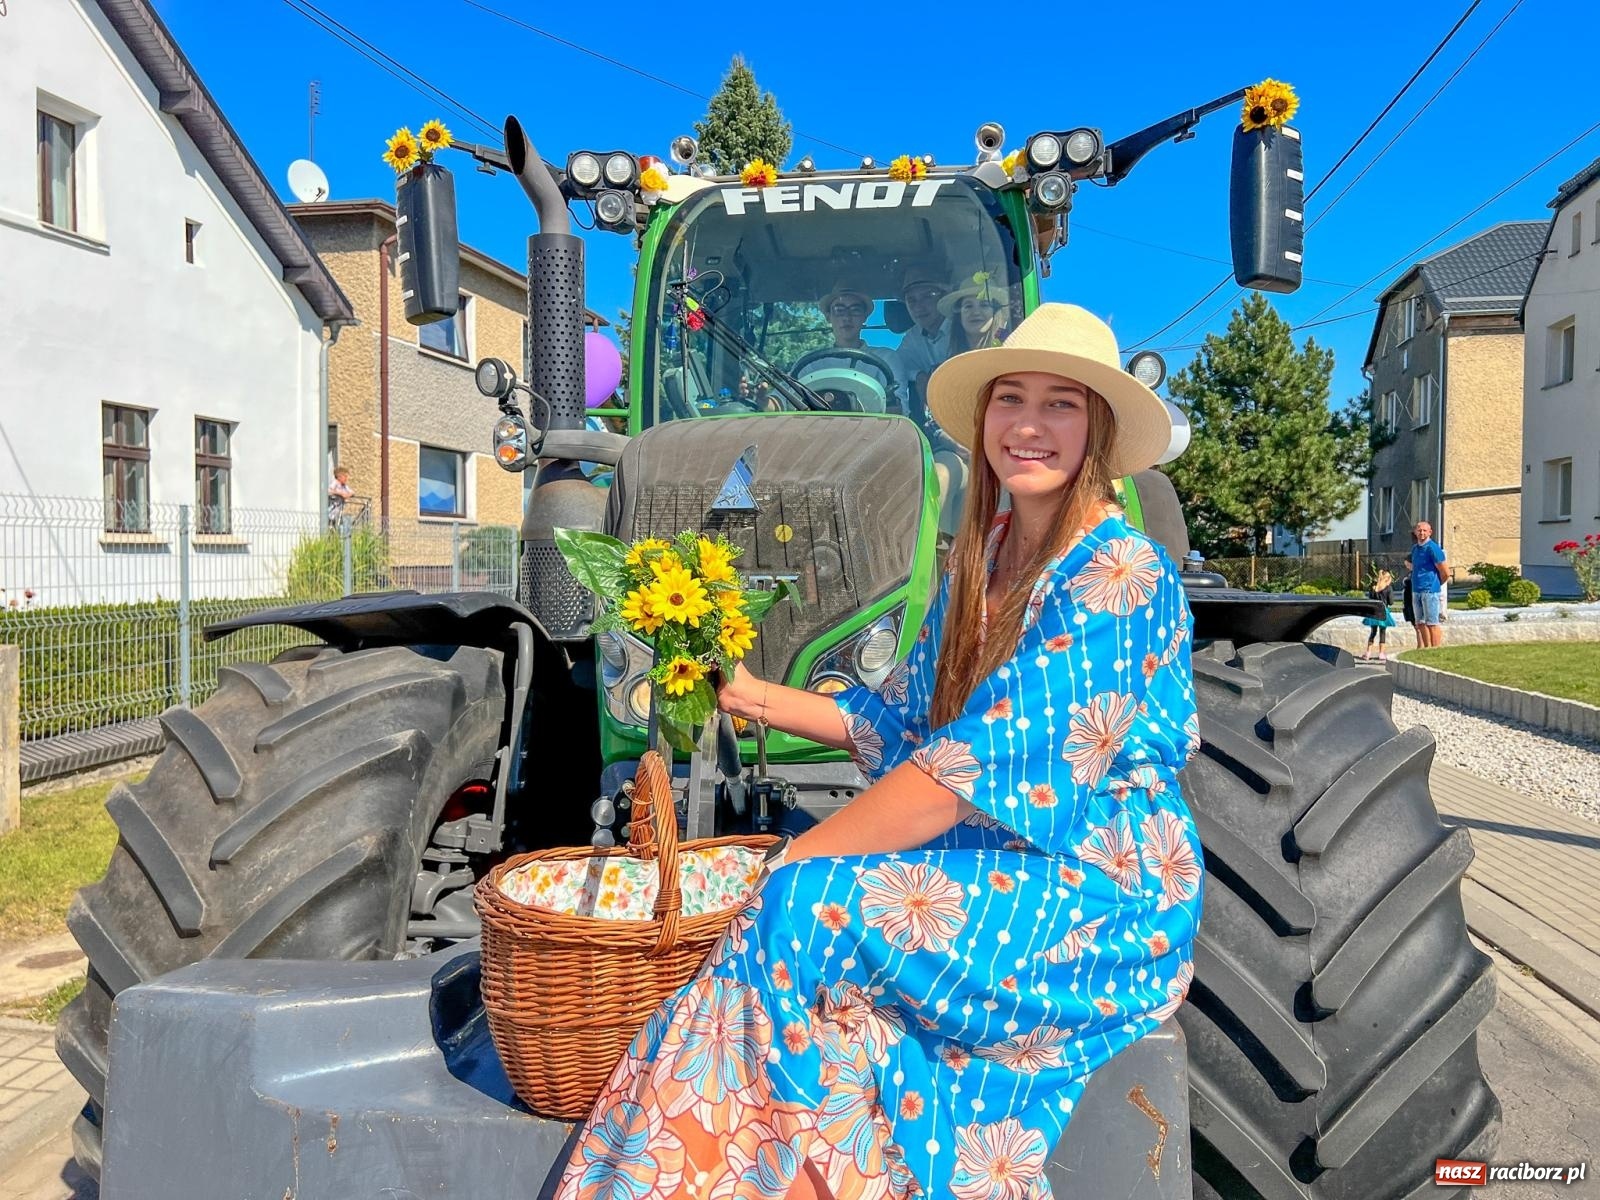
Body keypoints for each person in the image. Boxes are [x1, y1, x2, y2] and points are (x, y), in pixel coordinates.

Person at [556, 303, 1202, 1200]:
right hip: (998, 848)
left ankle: (666, 1170)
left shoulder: (1117, 571)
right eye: (1010, 398)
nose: (1028, 424)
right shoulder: (990, 552)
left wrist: (798, 857)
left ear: (1097, 427)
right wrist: (748, 693)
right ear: (983, 421)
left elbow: (967, 771)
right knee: (793, 909)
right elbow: (896, 718)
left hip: (1102, 884)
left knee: (801, 902)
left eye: (1061, 404)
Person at [797, 284, 903, 412]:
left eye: (855, 310)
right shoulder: (810, 364)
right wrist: (766, 400)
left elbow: (899, 414)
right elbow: (781, 399)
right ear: (828, 317)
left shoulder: (886, 358)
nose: (846, 317)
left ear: (865, 317)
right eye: (839, 310)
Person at [942, 271, 1011, 355]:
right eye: (968, 306)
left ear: (996, 312)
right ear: (959, 316)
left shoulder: (1010, 349)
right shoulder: (948, 361)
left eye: (984, 305)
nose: (976, 312)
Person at [1407, 520, 1449, 648]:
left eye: (1425, 530)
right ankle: (1427, 648)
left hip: (1430, 591)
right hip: (1416, 589)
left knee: (1432, 623)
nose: (1422, 533)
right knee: (1420, 623)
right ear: (1415, 532)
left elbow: (1445, 572)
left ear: (1430, 532)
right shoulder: (1415, 549)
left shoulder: (1433, 548)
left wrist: (1436, 584)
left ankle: (1435, 649)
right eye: (1419, 530)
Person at [1360, 569, 1396, 661]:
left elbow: (1370, 599)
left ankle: (1368, 653)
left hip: (1374, 611)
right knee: (1382, 632)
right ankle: (1381, 653)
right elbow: (1391, 602)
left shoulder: (1373, 587)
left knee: (1373, 632)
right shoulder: (1388, 588)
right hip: (1383, 611)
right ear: (1387, 579)